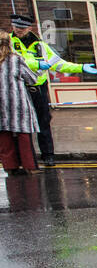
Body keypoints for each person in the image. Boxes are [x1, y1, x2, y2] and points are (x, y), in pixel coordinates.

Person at [10, 13, 97, 168]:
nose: (19, 30)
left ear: (30, 28)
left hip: (38, 88)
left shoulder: (40, 45)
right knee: (21, 125)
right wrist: (36, 65)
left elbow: (58, 64)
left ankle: (48, 155)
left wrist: (80, 67)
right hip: (18, 88)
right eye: (16, 27)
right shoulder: (7, 43)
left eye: (22, 28)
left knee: (43, 121)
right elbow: (14, 61)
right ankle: (24, 159)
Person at [0, 35, 39, 174]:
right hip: (17, 102)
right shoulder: (15, 60)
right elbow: (32, 78)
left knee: (4, 136)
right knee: (24, 135)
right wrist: (39, 71)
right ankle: (30, 167)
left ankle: (10, 167)